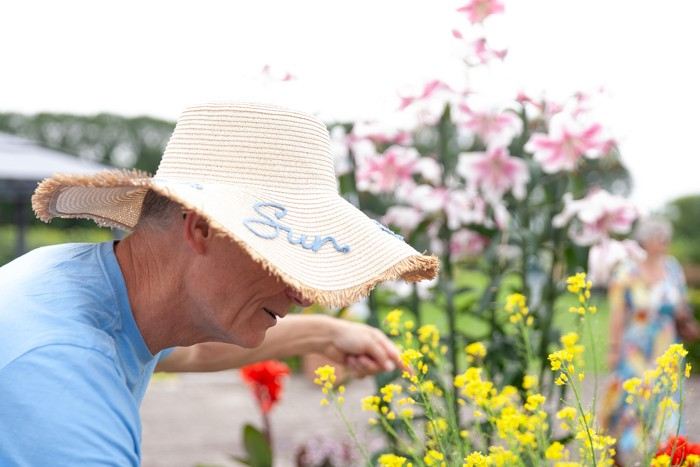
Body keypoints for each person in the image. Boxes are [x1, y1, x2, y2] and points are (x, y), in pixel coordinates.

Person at [0, 102, 439, 465]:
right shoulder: (60, 373)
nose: (303, 293)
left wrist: (328, 333)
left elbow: (190, 348)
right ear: (202, 228)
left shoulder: (90, 283)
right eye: (283, 256)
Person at [599, 215, 692, 465]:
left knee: (666, 400)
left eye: (667, 238)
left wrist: (684, 316)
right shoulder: (626, 270)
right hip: (634, 350)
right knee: (634, 399)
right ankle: (629, 454)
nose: (665, 243)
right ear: (646, 240)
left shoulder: (672, 267)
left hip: (666, 348)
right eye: (660, 237)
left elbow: (681, 301)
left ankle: (665, 454)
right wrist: (613, 349)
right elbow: (618, 313)